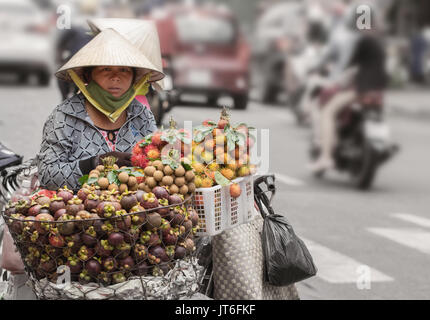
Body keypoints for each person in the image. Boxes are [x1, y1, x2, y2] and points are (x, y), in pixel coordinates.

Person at [37, 28, 164, 191]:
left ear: (134, 77)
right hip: (80, 211)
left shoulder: (142, 115)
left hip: (137, 208)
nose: (116, 77)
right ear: (88, 76)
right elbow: (48, 174)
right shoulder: (63, 117)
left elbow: (157, 165)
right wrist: (95, 162)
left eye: (124, 70)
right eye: (106, 69)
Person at [308, 7, 387, 173]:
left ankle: (326, 157)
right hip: (378, 91)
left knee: (328, 111)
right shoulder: (378, 41)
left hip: (362, 90)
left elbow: (352, 69)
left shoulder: (361, 41)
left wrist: (336, 85)